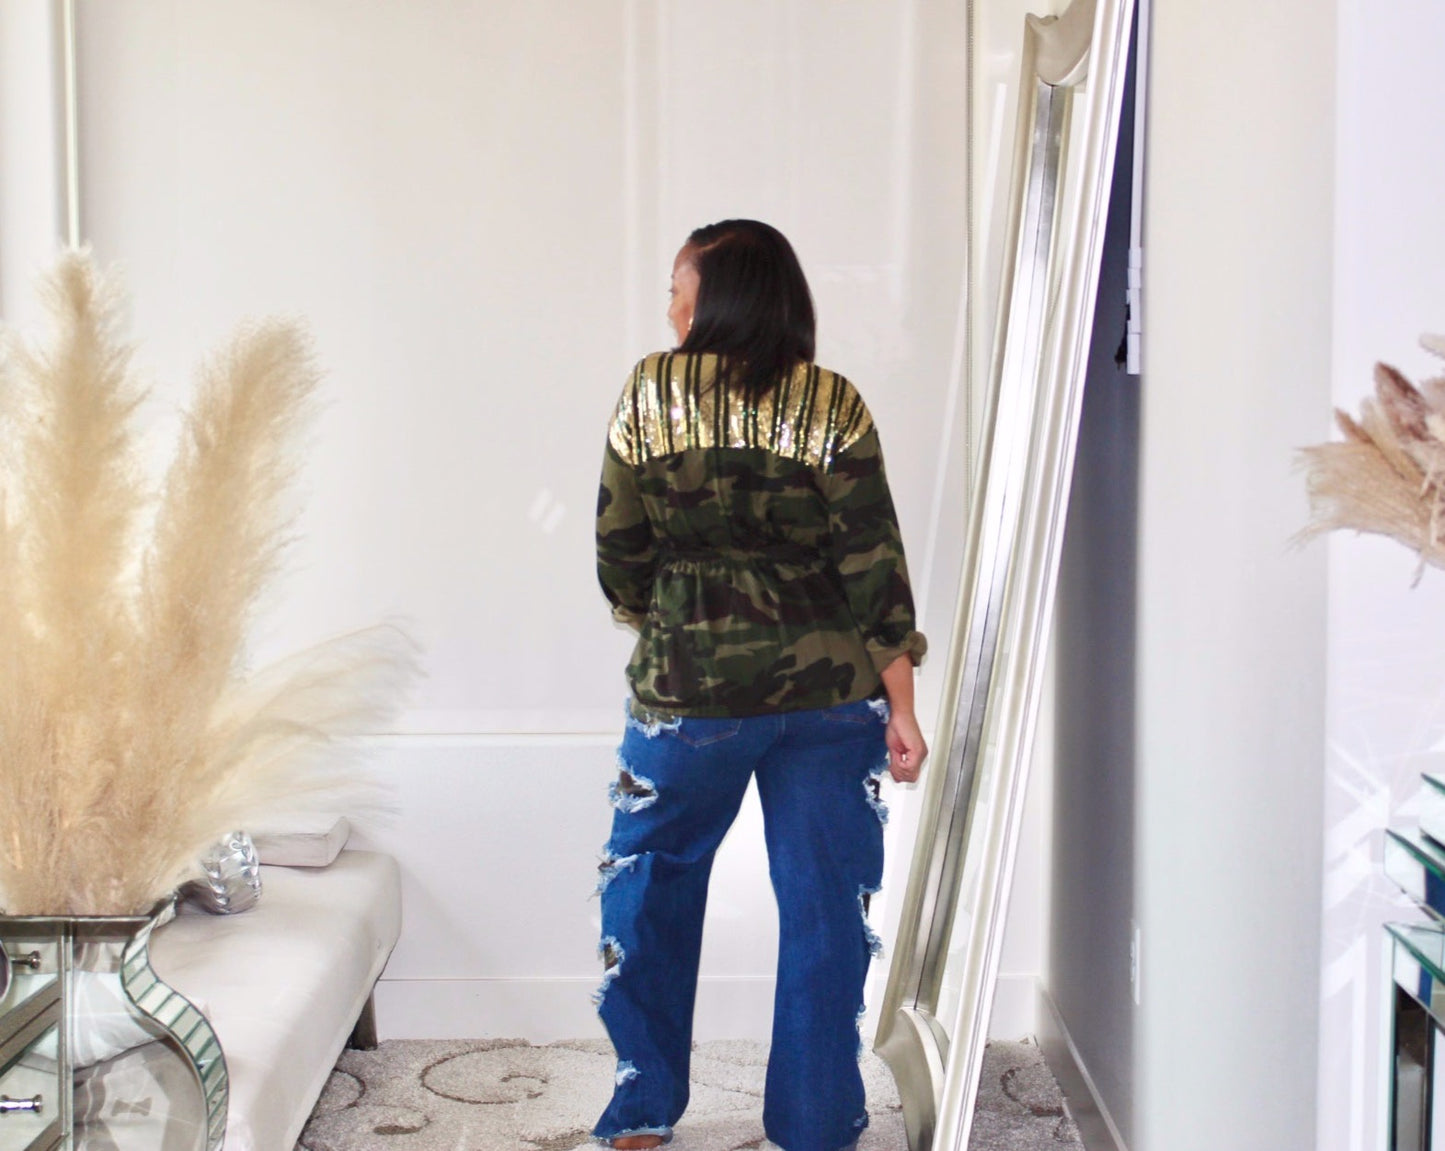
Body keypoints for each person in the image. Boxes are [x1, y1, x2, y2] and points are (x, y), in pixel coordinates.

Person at [592, 219, 927, 1151]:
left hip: (688, 692)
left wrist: (667, 616)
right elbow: (874, 566)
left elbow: (619, 550)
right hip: (829, 698)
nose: (670, 310)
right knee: (825, 905)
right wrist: (901, 706)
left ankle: (642, 1110)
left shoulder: (651, 391)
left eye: (677, 290)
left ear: (715, 296)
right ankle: (815, 1123)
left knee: (650, 885)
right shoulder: (832, 401)